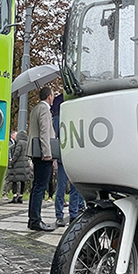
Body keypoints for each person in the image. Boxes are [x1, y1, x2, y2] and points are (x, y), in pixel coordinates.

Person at [51, 93, 83, 227]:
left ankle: (65, 215)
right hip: (69, 156)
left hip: (66, 155)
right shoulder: (62, 117)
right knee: (70, 186)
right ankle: (71, 214)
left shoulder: (58, 117)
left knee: (64, 186)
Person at [27, 86, 56, 231]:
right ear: (49, 96)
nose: (53, 98)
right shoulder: (44, 109)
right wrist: (47, 152)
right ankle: (35, 220)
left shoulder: (35, 108)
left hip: (35, 151)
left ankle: (32, 219)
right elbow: (45, 131)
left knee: (36, 186)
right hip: (42, 152)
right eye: (53, 95)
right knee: (40, 187)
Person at [5, 130, 30, 204]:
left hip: (17, 164)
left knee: (14, 180)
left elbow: (17, 153)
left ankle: (15, 196)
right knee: (23, 181)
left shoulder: (19, 143)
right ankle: (21, 196)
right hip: (25, 164)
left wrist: (12, 161)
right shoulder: (26, 143)